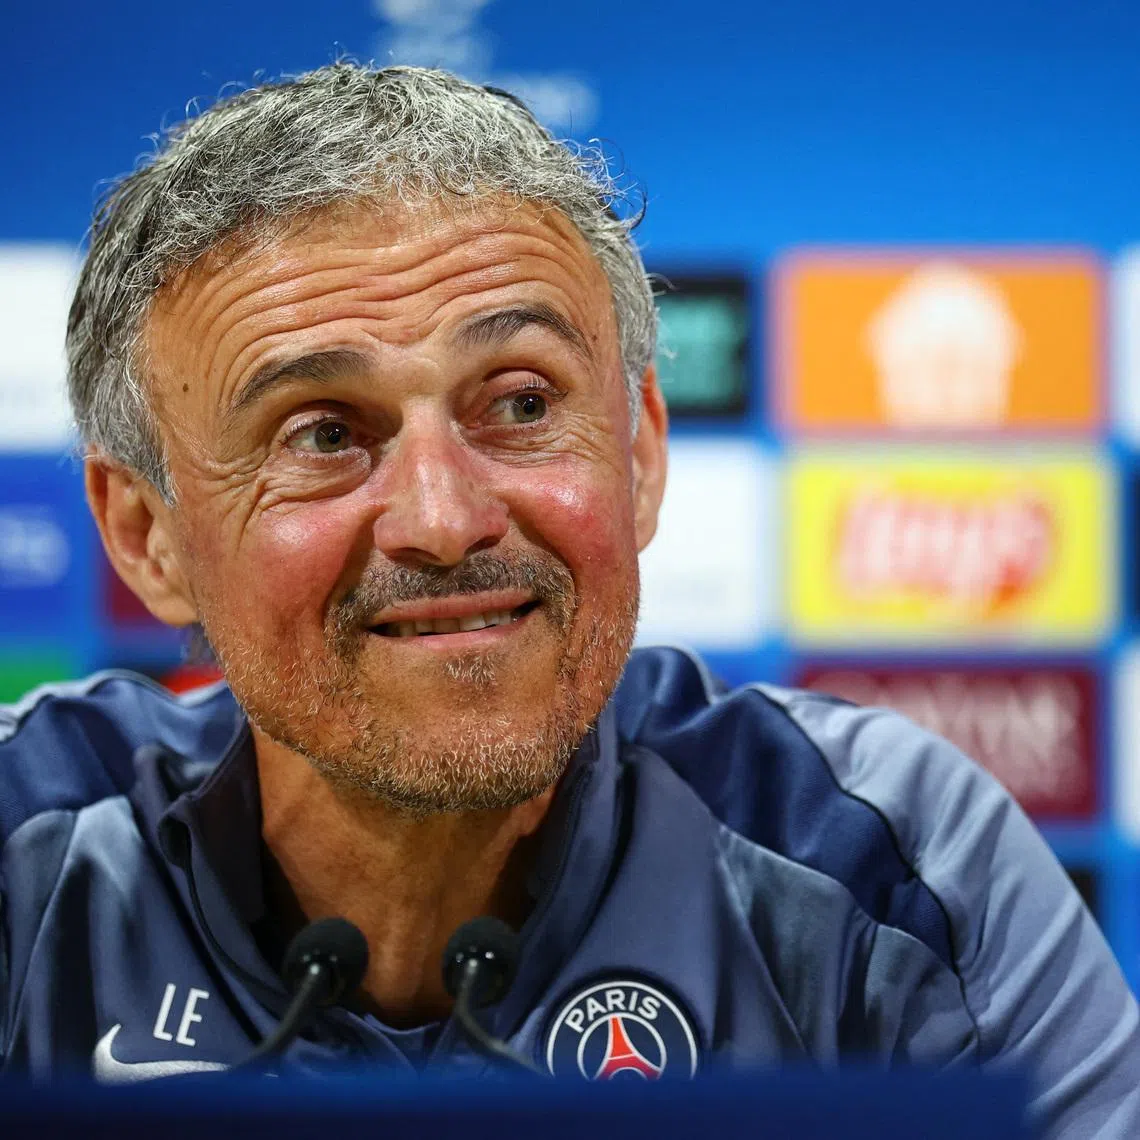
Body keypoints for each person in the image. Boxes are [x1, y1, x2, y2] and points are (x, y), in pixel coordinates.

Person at [0, 62, 1135, 1135]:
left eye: (524, 404)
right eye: (326, 435)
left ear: (639, 452)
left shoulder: (887, 863)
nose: (442, 521)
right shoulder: (26, 851)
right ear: (146, 535)